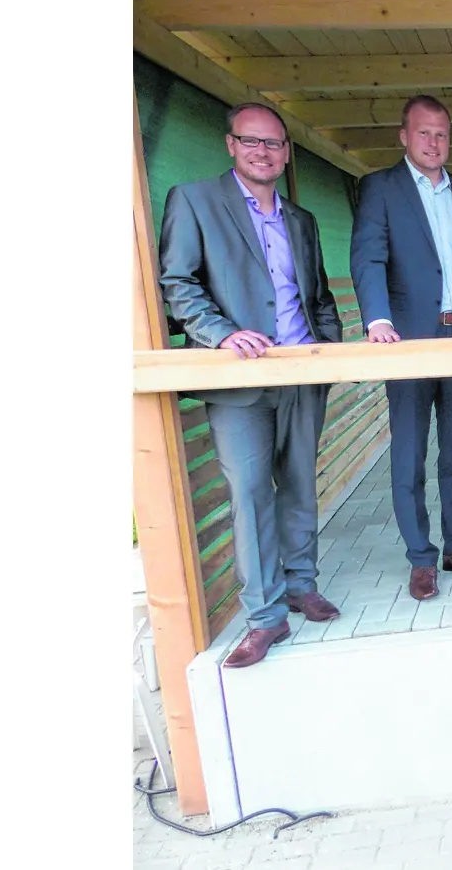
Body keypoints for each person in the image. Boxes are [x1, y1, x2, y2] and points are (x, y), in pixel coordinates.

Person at [158, 103, 344, 668]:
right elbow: (177, 279)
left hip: (301, 376)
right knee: (249, 495)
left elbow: (317, 300)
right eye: (252, 141)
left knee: (299, 485)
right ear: (231, 145)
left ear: (287, 152)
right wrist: (220, 335)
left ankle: (300, 584)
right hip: (238, 379)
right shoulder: (194, 201)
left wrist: (329, 357)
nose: (263, 151)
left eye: (274, 143)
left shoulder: (303, 220)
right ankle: (264, 617)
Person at [350, 94, 452, 603]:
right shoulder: (380, 187)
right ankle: (421, 558)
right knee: (409, 452)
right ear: (404, 136)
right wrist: (377, 319)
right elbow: (368, 258)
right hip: (407, 337)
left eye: (442, 133)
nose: (433, 142)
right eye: (423, 132)